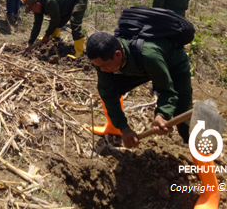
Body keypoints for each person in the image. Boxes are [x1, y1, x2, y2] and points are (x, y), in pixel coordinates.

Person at [86, 31, 219, 209]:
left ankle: (211, 192)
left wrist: (161, 116)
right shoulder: (104, 60)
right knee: (107, 90)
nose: (101, 69)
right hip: (137, 66)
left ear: (117, 54)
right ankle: (113, 127)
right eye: (98, 66)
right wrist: (124, 128)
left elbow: (167, 90)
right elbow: (108, 94)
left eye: (104, 66)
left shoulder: (148, 55)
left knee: (188, 125)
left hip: (172, 65)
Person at [24, 0, 88, 58]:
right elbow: (37, 25)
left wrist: (47, 35)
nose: (32, 11)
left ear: (37, 4)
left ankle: (79, 53)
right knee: (61, 19)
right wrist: (30, 42)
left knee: (75, 22)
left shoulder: (50, 2)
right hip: (66, 2)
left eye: (32, 9)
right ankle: (54, 37)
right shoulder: (37, 7)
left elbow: (55, 19)